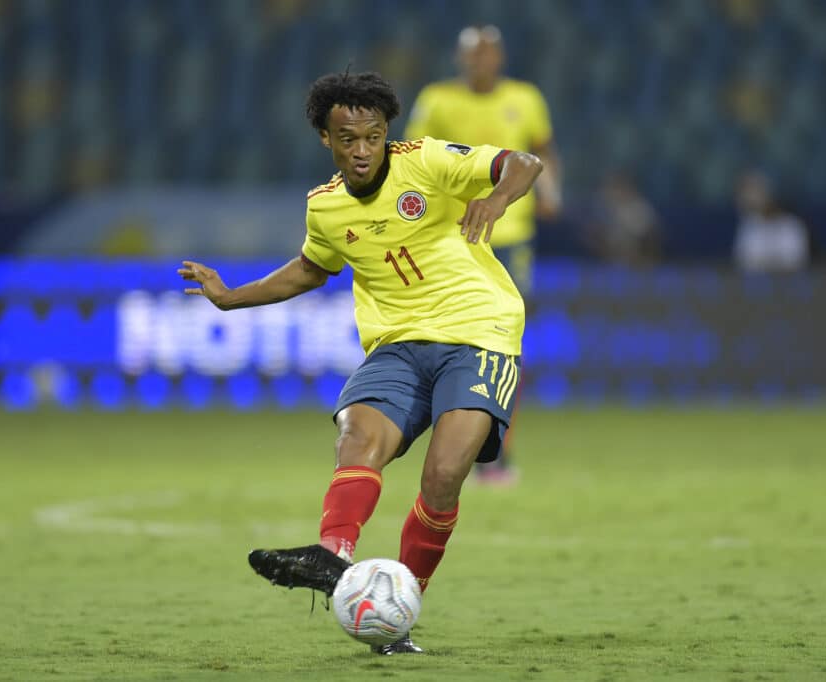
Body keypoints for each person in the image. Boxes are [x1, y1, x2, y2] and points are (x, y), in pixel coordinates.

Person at [177, 71, 541, 655]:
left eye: (372, 136)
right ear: (327, 138)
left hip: (481, 332)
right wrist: (230, 296)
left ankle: (399, 611)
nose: (363, 149)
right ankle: (334, 555)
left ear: (386, 132)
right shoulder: (324, 208)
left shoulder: (425, 161)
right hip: (397, 344)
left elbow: (524, 162)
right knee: (356, 434)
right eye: (349, 139)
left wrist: (497, 198)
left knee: (444, 476)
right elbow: (310, 268)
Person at [405, 24, 562, 484]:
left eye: (489, 54)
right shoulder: (436, 101)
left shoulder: (527, 98)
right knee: (449, 341)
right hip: (455, 236)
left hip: (511, 235)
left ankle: (497, 450)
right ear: (460, 59)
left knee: (506, 344)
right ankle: (451, 442)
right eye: (473, 54)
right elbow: (413, 158)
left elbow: (544, 152)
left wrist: (551, 192)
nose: (481, 61)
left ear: (501, 58)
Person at [733, 170, 810, 273]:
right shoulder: (748, 227)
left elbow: (796, 264)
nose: (750, 199)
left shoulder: (792, 226)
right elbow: (744, 265)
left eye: (755, 192)